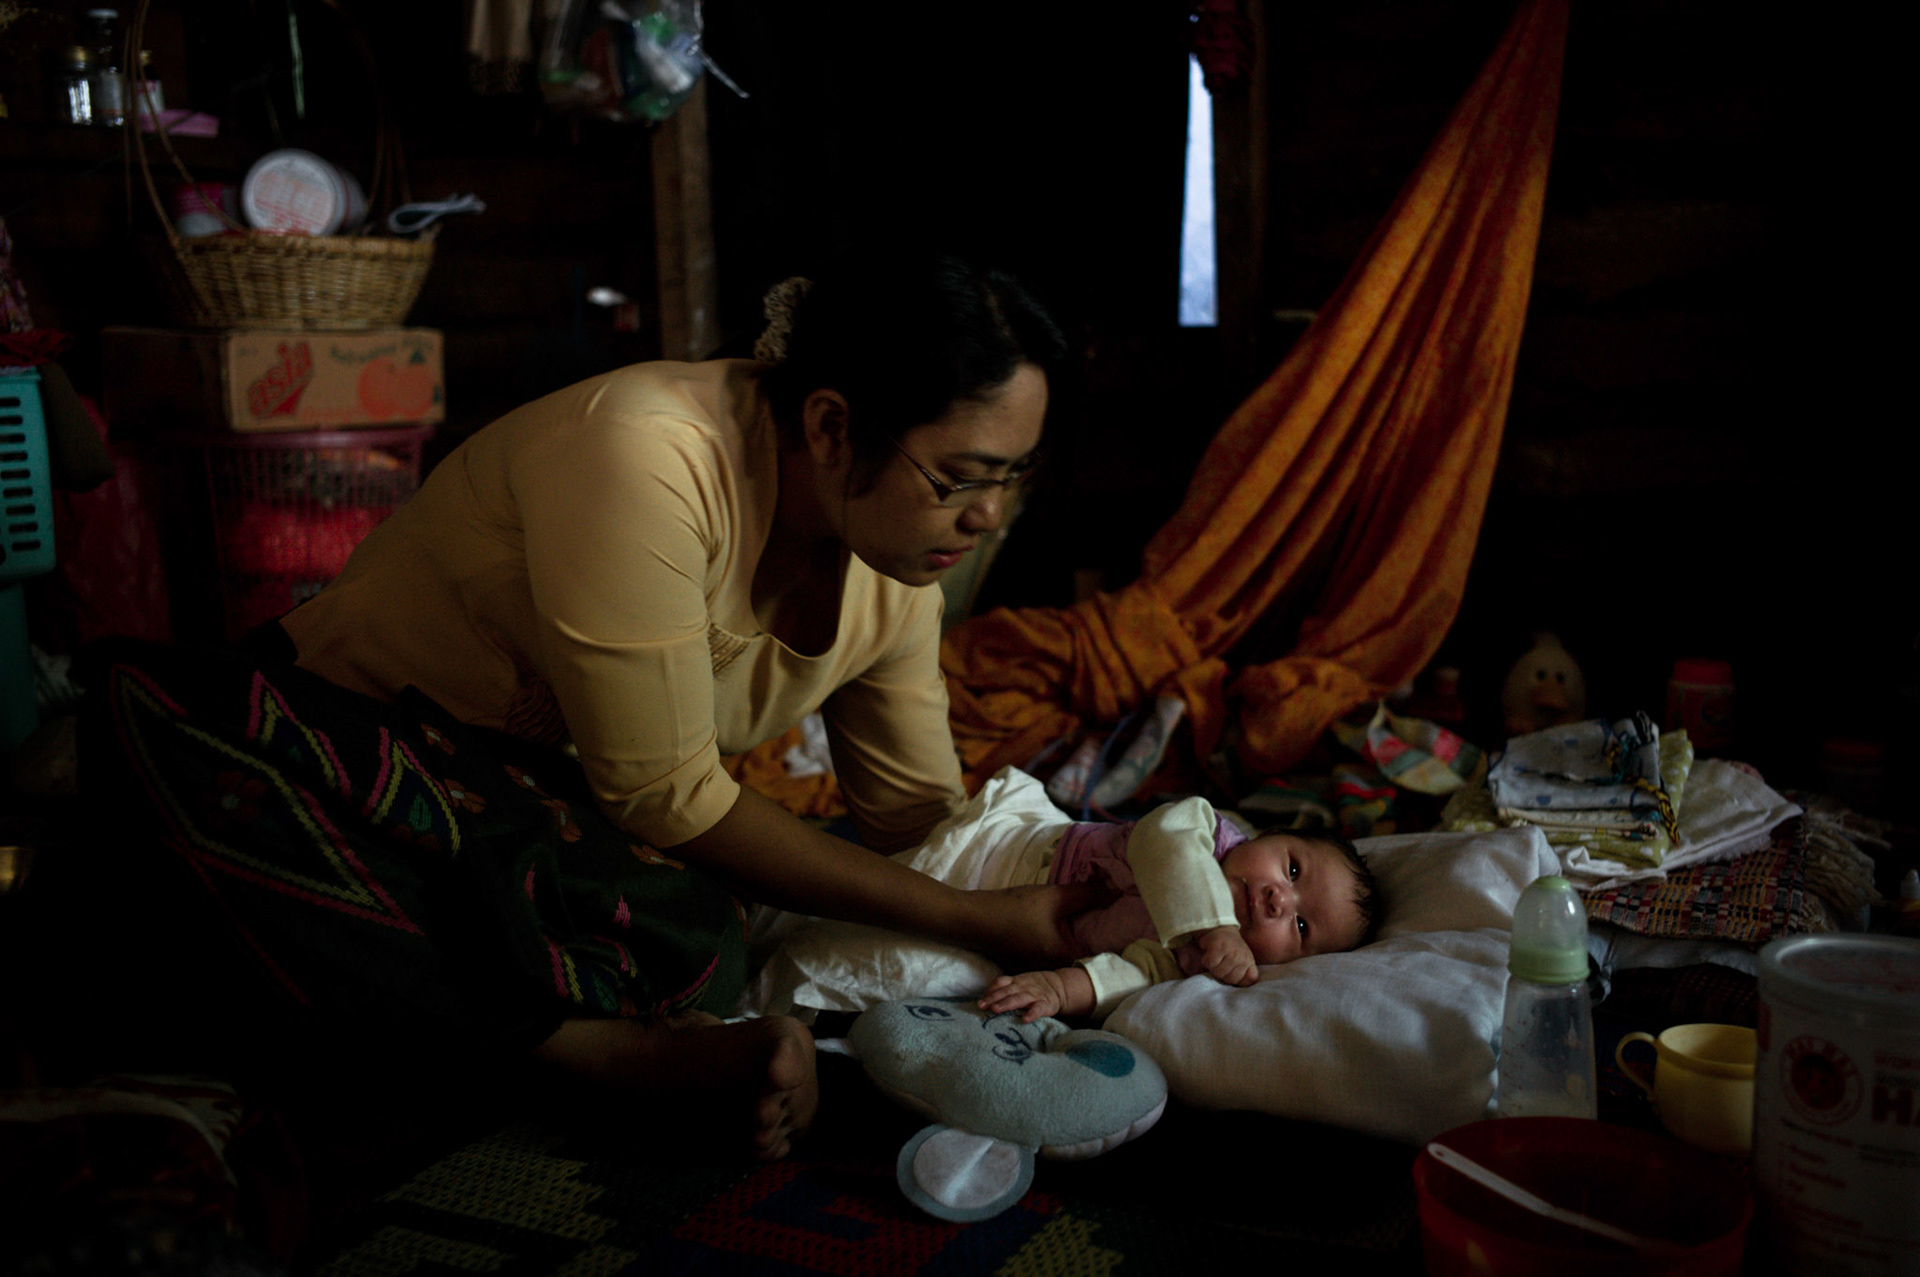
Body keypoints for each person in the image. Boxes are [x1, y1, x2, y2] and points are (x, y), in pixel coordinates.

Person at [76, 250, 1079, 1161]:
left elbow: (916, 819)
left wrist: (1088, 895)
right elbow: (666, 797)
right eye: (959, 477)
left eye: (1010, 481)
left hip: (548, 825)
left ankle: (488, 1023)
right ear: (829, 424)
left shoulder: (898, 565)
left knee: (697, 939)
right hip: (355, 758)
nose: (986, 516)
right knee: (144, 726)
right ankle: (593, 1055)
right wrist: (968, 912)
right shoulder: (648, 452)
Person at [974, 793, 1379, 1023]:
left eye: (1302, 926)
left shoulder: (1199, 961)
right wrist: (1216, 925)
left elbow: (1137, 973)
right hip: (1013, 847)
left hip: (1006, 925)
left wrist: (1059, 988)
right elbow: (1163, 837)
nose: (1280, 900)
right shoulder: (1205, 831)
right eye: (1292, 869)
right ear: (1268, 835)